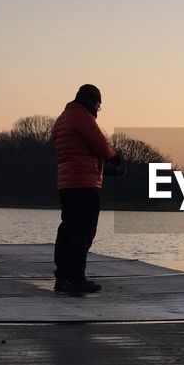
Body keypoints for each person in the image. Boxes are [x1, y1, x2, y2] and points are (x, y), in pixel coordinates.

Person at [52, 84, 119, 296]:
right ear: (91, 101)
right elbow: (100, 146)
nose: (97, 111)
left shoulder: (63, 118)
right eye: (98, 106)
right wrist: (115, 155)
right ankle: (76, 278)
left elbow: (75, 152)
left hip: (67, 183)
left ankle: (62, 277)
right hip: (84, 185)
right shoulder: (82, 118)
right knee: (84, 232)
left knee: (68, 229)